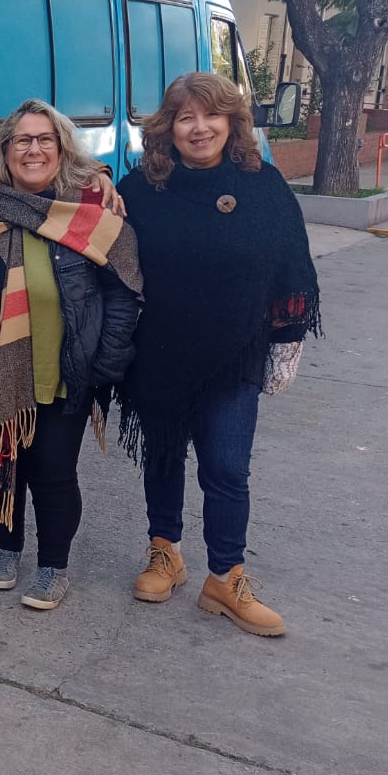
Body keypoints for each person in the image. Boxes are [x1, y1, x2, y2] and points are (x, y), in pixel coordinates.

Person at [115, 72, 320, 637]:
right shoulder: (141, 190)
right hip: (159, 351)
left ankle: (226, 578)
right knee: (162, 456)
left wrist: (287, 340)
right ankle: (165, 554)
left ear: (232, 122)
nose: (199, 127)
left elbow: (292, 266)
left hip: (236, 353)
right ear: (169, 128)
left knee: (227, 469)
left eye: (211, 115)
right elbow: (110, 254)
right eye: (186, 117)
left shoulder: (263, 186)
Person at [0, 101, 142, 611]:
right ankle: (6, 547)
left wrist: (105, 361)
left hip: (68, 370)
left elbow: (123, 290)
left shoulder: (89, 211)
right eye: (22, 140)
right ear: (6, 150)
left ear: (61, 149)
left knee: (54, 473)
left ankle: (53, 566)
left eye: (45, 140)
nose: (33, 150)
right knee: (1, 462)